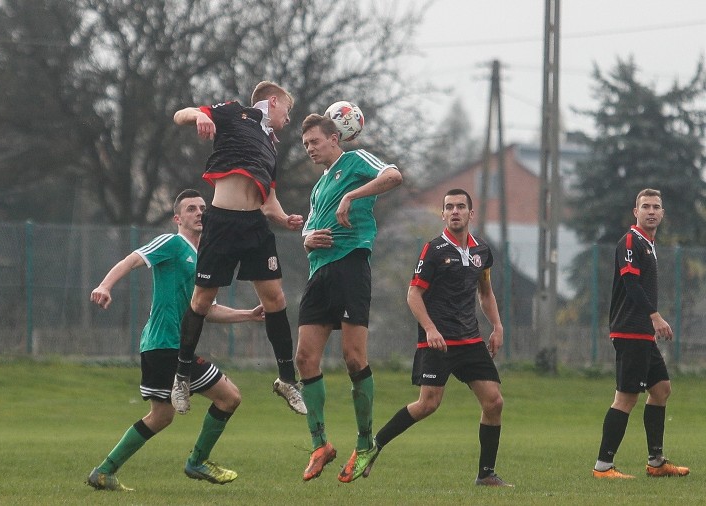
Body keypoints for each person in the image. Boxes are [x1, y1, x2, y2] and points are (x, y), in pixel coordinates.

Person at [86, 189, 265, 491]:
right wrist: (105, 286)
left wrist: (248, 314)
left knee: (161, 416)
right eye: (192, 209)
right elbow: (132, 260)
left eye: (203, 208)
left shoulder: (204, 257)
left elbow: (207, 309)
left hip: (166, 347)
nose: (199, 213)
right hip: (166, 345)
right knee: (229, 397)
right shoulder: (172, 243)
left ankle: (103, 473)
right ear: (177, 218)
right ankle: (197, 461)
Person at [171, 81, 306, 416]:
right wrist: (198, 118)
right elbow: (179, 115)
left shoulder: (270, 148)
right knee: (201, 300)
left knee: (276, 300)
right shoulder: (235, 113)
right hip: (222, 222)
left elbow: (269, 200)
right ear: (273, 102)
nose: (288, 119)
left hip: (255, 226)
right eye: (287, 110)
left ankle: (287, 379)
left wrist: (284, 217)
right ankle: (182, 375)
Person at [363, 188, 513, 487]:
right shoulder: (433, 250)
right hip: (438, 341)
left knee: (494, 402)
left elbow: (485, 292)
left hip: (470, 340)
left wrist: (496, 326)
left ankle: (486, 475)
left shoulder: (481, 251)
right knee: (428, 404)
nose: (455, 211)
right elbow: (413, 294)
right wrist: (430, 329)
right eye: (449, 207)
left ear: (471, 214)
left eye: (460, 206)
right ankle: (373, 445)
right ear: (443, 214)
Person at [296, 113, 403, 482]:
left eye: (315, 141)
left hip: (350, 266)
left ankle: (365, 442)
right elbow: (308, 228)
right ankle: (320, 444)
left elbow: (393, 176)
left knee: (353, 358)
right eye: (305, 144)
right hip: (319, 273)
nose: (310, 148)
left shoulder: (356, 161)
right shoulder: (317, 186)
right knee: (305, 357)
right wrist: (306, 239)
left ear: (334, 139)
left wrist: (351, 196)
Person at [592, 188, 690, 479]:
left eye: (656, 206)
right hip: (629, 330)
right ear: (635, 212)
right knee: (625, 398)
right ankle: (603, 466)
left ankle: (656, 463)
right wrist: (655, 315)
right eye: (645, 206)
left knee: (661, 390)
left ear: (662, 213)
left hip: (642, 333)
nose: (651, 210)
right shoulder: (631, 241)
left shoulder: (649, 244)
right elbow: (632, 285)